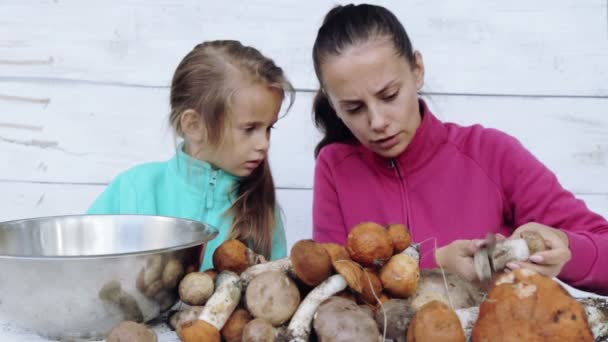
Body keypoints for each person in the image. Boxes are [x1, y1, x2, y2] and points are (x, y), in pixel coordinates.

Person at [310, 4, 608, 294]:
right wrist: (435, 264)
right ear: (334, 106)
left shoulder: (492, 153)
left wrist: (566, 247)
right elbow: (332, 287)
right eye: (354, 108)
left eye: (389, 95)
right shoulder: (335, 167)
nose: (377, 122)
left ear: (417, 70)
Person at [88, 40, 294, 270]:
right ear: (194, 125)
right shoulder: (133, 189)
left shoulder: (264, 211)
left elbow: (274, 296)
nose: (264, 143)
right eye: (249, 129)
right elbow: (86, 269)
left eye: (269, 128)